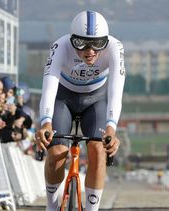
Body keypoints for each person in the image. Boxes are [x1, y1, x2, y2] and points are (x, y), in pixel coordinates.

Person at [35, 11, 125, 211]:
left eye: (97, 44)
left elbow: (115, 92)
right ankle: (52, 207)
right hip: (63, 98)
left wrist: (111, 127)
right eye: (82, 43)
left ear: (106, 41)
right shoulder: (60, 46)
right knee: (57, 151)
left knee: (98, 150)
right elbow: (49, 88)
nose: (90, 51)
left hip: (96, 100)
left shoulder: (115, 47)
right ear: (72, 40)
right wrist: (46, 123)